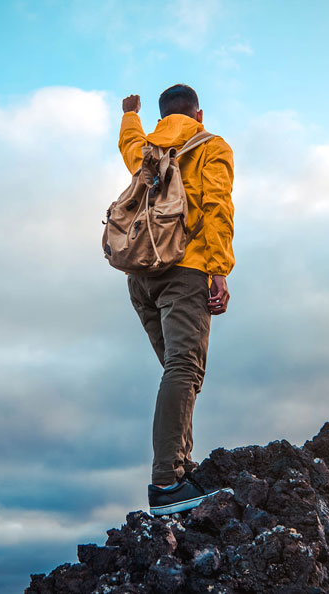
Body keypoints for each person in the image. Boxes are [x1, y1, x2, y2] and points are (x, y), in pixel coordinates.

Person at [118, 84, 235, 515]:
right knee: (185, 370)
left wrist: (131, 114)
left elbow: (128, 144)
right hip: (185, 269)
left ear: (163, 115)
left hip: (140, 274)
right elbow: (217, 205)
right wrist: (219, 269)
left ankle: (181, 465)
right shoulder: (210, 146)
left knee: (181, 372)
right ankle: (167, 483)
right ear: (198, 115)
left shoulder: (148, 148)